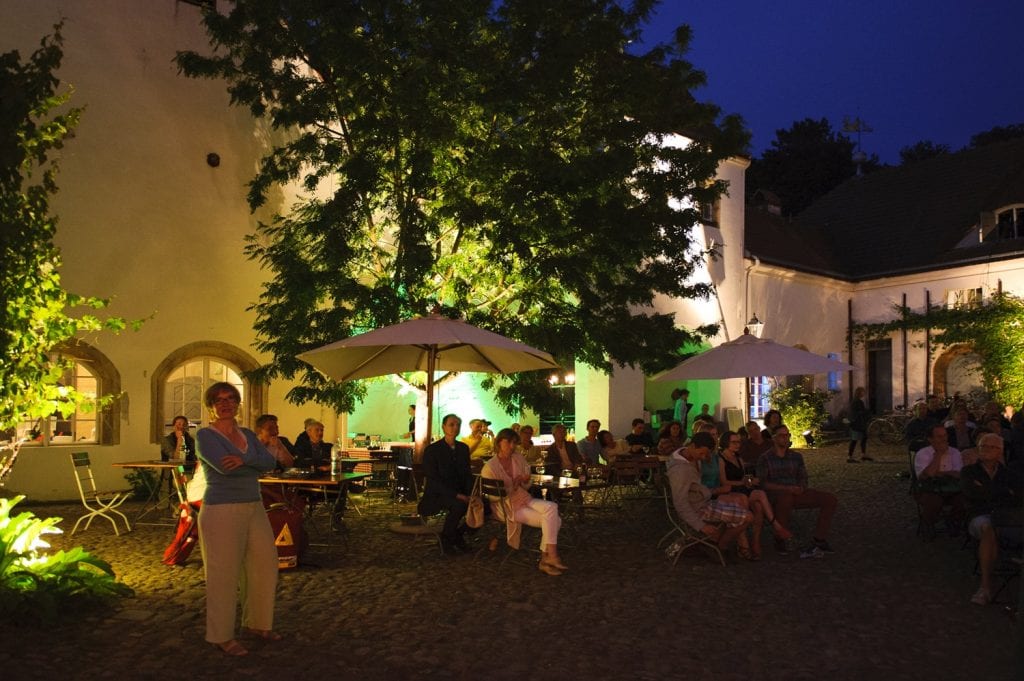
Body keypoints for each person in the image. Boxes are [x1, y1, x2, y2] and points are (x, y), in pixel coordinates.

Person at [195, 382, 280, 656]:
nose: (225, 404)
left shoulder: (247, 434)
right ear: (211, 405)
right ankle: (221, 635)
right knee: (223, 574)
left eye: (230, 398)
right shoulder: (205, 436)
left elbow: (270, 463)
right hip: (221, 509)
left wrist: (243, 461)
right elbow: (225, 468)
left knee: (265, 565)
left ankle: (257, 623)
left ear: (237, 403)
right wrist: (253, 462)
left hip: (254, 505)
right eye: (219, 400)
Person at [481, 428, 567, 576]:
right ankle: (547, 558)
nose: (512, 446)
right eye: (509, 442)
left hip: (523, 498)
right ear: (499, 442)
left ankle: (549, 557)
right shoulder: (490, 467)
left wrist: (524, 481)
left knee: (552, 507)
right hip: (506, 507)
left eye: (514, 443)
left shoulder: (518, 458)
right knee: (555, 520)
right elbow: (492, 497)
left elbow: (527, 484)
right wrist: (512, 487)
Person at [665, 431, 754, 559]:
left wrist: (713, 491)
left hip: (703, 501)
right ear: (692, 446)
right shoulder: (680, 470)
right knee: (748, 517)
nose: (703, 457)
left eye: (706, 454)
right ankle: (720, 546)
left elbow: (695, 487)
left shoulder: (687, 456)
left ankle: (716, 542)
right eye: (701, 453)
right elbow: (680, 503)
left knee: (739, 501)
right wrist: (701, 526)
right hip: (699, 509)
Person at [960, 432, 1024, 605]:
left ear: (1000, 451)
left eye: (991, 447)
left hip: (1007, 518)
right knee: (989, 528)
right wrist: (1004, 493)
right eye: (983, 446)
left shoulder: (1010, 474)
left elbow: (1018, 498)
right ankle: (985, 587)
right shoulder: (969, 471)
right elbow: (972, 494)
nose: (986, 449)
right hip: (980, 516)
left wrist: (986, 490)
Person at [757, 426, 838, 558]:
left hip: (795, 491)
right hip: (777, 493)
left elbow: (803, 476)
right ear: (774, 438)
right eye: (782, 435)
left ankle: (819, 538)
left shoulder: (796, 457)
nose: (785, 438)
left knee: (830, 499)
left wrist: (801, 487)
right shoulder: (765, 458)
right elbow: (763, 483)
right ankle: (780, 537)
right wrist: (785, 488)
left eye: (787, 435)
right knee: (785, 499)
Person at [716, 430, 793, 559]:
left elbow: (744, 475)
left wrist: (749, 480)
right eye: (734, 442)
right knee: (759, 497)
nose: (737, 445)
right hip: (732, 490)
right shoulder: (721, 459)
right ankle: (774, 527)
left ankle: (754, 541)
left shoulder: (738, 458)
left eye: (738, 442)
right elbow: (724, 481)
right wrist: (743, 482)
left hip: (742, 488)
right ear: (725, 443)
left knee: (758, 504)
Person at [418, 413, 474, 554]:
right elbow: (433, 480)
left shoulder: (463, 448)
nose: (455, 427)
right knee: (459, 505)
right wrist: (457, 495)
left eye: (458, 425)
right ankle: (447, 539)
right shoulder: (432, 450)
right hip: (437, 494)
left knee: (485, 505)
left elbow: (467, 474)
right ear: (444, 427)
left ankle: (457, 534)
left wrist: (471, 493)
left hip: (459, 491)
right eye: (451, 424)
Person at [912, 424, 965, 539]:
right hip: (929, 488)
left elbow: (959, 473)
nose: (943, 439)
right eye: (939, 436)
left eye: (945, 436)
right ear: (930, 439)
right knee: (933, 501)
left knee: (964, 500)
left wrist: (941, 473)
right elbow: (929, 474)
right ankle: (928, 523)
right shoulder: (923, 454)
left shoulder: (955, 452)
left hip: (951, 487)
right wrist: (938, 455)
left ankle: (953, 521)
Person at [847, 387, 872, 462]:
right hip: (857, 424)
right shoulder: (857, 402)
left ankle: (863, 454)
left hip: (859, 423)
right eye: (862, 392)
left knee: (864, 438)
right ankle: (849, 457)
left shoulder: (856, 401)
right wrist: (866, 412)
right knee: (854, 440)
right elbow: (858, 412)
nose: (864, 393)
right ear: (859, 393)